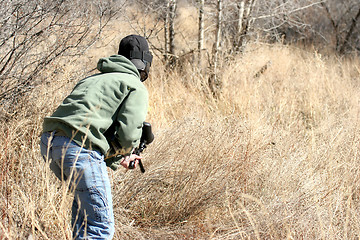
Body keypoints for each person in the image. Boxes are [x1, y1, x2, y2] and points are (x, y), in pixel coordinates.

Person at [40, 34, 153, 239]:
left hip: (50, 143)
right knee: (99, 229)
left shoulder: (92, 78)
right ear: (144, 64)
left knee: (84, 223)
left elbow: (86, 125)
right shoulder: (134, 85)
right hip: (79, 150)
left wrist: (116, 156)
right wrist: (126, 152)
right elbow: (128, 134)